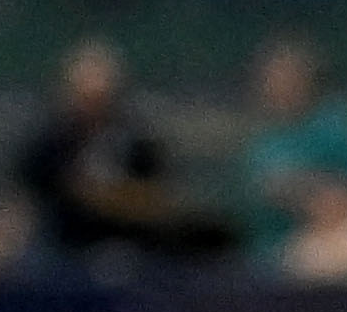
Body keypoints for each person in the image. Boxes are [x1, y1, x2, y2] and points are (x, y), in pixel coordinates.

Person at [14, 40, 227, 256]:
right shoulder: (49, 143)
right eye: (85, 92)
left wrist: (108, 197)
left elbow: (157, 195)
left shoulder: (138, 139)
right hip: (62, 249)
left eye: (101, 92)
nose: (93, 100)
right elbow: (32, 196)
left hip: (131, 249)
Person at [232, 37, 347, 261]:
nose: (281, 85)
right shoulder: (262, 143)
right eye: (274, 77)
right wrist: (308, 193)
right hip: (279, 252)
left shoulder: (337, 126)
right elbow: (271, 188)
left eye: (290, 76)